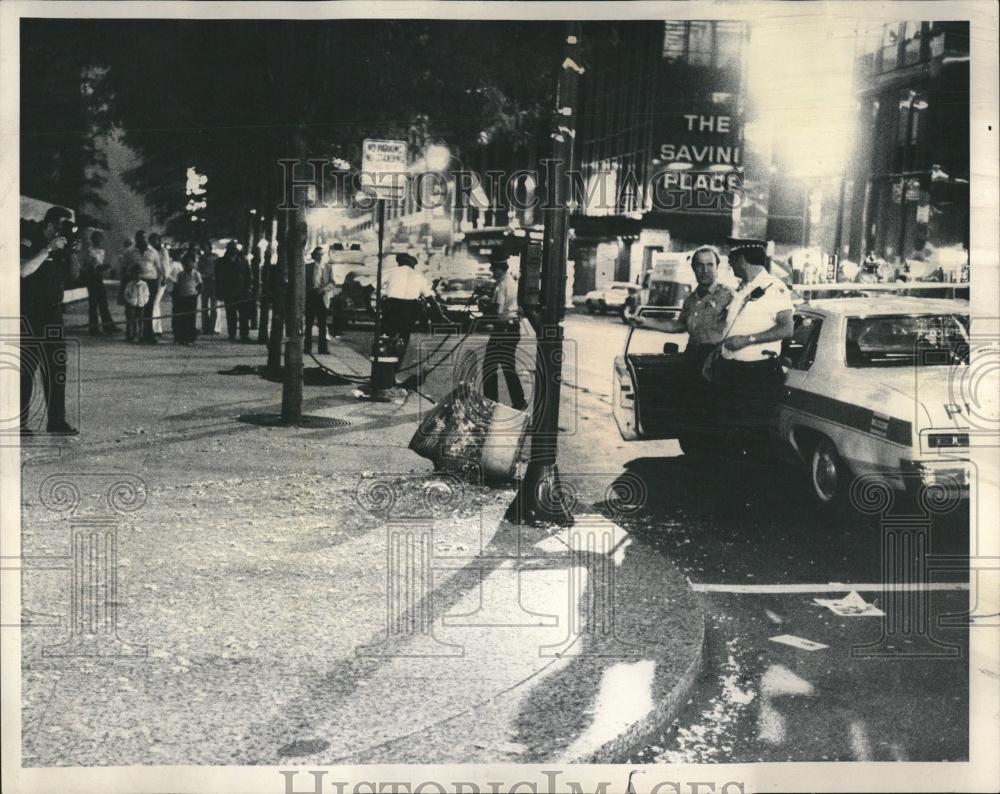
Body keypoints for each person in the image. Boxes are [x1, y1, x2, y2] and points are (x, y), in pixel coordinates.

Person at [716, 237, 795, 456]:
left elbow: (787, 329)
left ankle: (751, 485)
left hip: (757, 374)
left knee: (753, 436)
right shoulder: (743, 289)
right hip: (733, 372)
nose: (730, 266)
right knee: (732, 433)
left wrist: (747, 340)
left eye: (731, 260)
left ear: (741, 259)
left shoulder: (774, 288)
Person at [19, 205, 79, 435]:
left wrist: (72, 252)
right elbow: (23, 270)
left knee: (56, 368)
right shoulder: (29, 239)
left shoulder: (62, 245)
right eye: (63, 226)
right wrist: (47, 249)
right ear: (50, 224)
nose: (65, 230)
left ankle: (56, 421)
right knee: (26, 368)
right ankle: (20, 423)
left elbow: (73, 276)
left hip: (53, 313)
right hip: (29, 312)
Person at [635, 245, 733, 372]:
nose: (705, 270)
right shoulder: (691, 300)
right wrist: (643, 321)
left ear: (717, 267)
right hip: (691, 356)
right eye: (700, 265)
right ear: (693, 268)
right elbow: (677, 326)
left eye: (710, 265)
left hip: (716, 359)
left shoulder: (728, 295)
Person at [480, 253, 528, 410]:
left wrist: (484, 305)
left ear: (500, 269)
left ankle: (491, 402)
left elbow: (497, 310)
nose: (493, 272)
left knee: (489, 366)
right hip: (512, 329)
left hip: (503, 330)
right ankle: (519, 401)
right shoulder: (512, 282)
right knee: (508, 367)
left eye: (494, 269)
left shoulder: (501, 284)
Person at [381, 252, 434, 366]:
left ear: (399, 263)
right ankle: (395, 367)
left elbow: (368, 290)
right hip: (409, 311)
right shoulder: (419, 276)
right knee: (403, 339)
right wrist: (441, 316)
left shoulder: (390, 272)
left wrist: (371, 310)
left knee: (386, 337)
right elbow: (430, 299)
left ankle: (384, 366)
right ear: (412, 265)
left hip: (392, 308)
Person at [83, 230, 118, 335]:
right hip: (91, 277)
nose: (99, 241)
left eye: (100, 239)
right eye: (97, 239)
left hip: (98, 276)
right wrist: (100, 267)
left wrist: (104, 268)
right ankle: (94, 328)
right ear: (93, 240)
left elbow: (99, 265)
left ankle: (108, 326)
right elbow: (90, 265)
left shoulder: (102, 251)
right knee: (93, 303)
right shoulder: (89, 251)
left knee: (103, 302)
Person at [216, 241, 253, 341]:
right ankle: (232, 334)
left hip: (242, 292)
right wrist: (219, 292)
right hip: (229, 292)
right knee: (231, 315)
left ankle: (244, 334)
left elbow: (248, 275)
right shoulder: (221, 262)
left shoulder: (243, 261)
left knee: (243, 314)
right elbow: (218, 278)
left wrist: (248, 288)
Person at [304, 246, 335, 354]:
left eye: (322, 254)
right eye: (318, 254)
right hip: (311, 296)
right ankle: (307, 348)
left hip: (322, 296)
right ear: (314, 256)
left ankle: (322, 349)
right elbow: (304, 282)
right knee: (309, 323)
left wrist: (323, 290)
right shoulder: (307, 267)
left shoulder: (328, 267)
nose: (320, 257)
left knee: (322, 324)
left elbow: (332, 282)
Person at [172, 252, 203, 345]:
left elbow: (200, 285)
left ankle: (190, 339)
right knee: (182, 318)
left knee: (191, 318)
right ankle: (180, 338)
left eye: (190, 262)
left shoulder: (196, 274)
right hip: (182, 298)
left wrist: (197, 294)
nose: (188, 264)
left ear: (193, 263)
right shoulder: (180, 274)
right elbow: (177, 286)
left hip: (192, 297)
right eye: (186, 263)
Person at [148, 233, 170, 336]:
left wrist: (165, 277)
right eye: (151, 240)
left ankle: (155, 328)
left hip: (160, 279)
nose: (153, 242)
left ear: (159, 241)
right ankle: (155, 327)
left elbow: (165, 266)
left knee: (155, 302)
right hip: (153, 278)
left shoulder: (162, 251)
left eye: (155, 240)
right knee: (153, 302)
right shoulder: (151, 251)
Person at [123, 264, 150, 343]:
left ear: (141, 274)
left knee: (140, 321)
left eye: (139, 273)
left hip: (141, 305)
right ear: (132, 274)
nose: (137, 275)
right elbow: (126, 294)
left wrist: (144, 301)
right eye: (135, 273)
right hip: (132, 305)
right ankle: (130, 336)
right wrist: (130, 301)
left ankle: (140, 336)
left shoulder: (144, 284)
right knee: (131, 320)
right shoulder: (130, 284)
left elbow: (147, 294)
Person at [198, 243, 219, 335]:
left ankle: (212, 327)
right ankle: (205, 327)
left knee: (214, 307)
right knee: (204, 306)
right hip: (205, 283)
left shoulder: (216, 257)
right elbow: (199, 269)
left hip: (214, 283)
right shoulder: (201, 258)